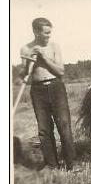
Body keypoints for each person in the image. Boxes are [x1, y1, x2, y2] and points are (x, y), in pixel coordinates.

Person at [20, 17, 76, 171]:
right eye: (45, 33)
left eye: (49, 33)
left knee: (64, 126)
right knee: (44, 130)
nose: (48, 36)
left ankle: (71, 164)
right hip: (37, 90)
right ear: (35, 32)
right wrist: (28, 61)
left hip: (56, 87)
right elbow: (24, 74)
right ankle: (52, 165)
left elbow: (61, 71)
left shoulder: (54, 47)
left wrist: (44, 59)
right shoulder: (25, 49)